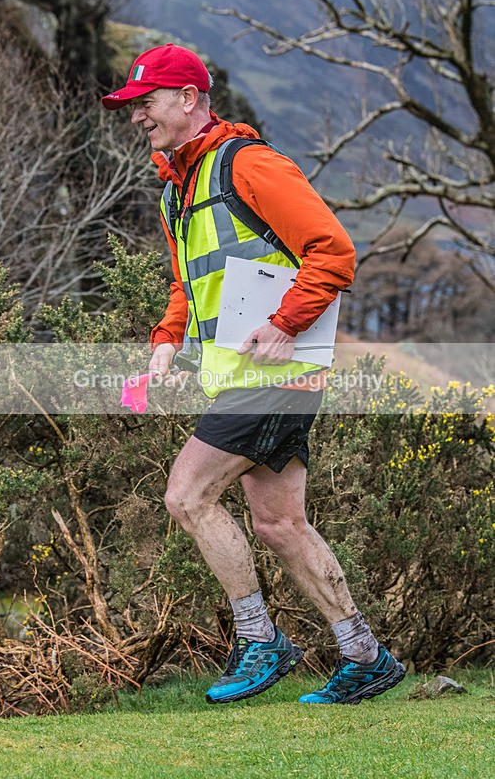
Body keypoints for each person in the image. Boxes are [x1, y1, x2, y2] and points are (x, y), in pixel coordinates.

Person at [102, 43, 405, 705]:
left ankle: (260, 639)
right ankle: (364, 654)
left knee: (186, 494)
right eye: (130, 107)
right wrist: (165, 342)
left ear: (187, 99)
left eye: (144, 103)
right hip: (244, 372)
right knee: (278, 525)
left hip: (275, 369)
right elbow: (190, 283)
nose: (136, 117)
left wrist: (285, 322)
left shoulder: (249, 165)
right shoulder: (175, 193)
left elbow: (333, 251)